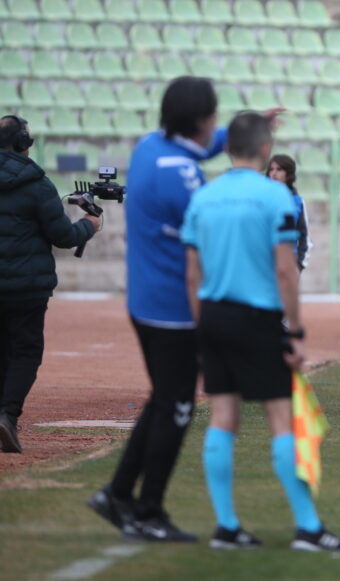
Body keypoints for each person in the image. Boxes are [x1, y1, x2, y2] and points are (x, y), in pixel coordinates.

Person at [184, 112, 340, 551]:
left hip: (214, 315)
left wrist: (202, 326)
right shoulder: (275, 196)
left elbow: (192, 272)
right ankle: (308, 528)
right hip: (257, 317)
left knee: (223, 417)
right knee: (280, 421)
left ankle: (226, 525)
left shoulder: (204, 196)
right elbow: (284, 268)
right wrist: (293, 331)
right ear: (263, 149)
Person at [89, 77, 243, 542]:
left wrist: (237, 132)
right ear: (199, 121)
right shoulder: (182, 175)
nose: (215, 126)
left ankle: (116, 494)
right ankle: (147, 509)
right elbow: (214, 229)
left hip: (146, 300)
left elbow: (202, 147)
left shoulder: (151, 146)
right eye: (213, 118)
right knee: (176, 409)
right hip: (173, 307)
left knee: (163, 400)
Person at [0, 116, 100, 453]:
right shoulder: (38, 184)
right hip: (27, 287)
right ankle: (7, 416)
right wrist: (90, 225)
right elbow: (64, 236)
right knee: (26, 351)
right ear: (24, 143)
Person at [266, 154, 311, 271]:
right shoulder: (260, 200)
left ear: (289, 174)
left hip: (288, 264)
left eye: (279, 169)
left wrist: (299, 265)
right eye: (271, 169)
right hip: (264, 264)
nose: (274, 173)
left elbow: (304, 236)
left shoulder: (298, 202)